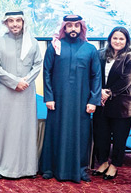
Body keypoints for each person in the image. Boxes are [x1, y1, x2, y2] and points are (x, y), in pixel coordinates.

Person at [40, 14, 101, 183]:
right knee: (56, 132)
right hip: (58, 101)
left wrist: (93, 100)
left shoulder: (90, 49)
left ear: (81, 27)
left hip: (81, 101)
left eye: (76, 25)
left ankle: (80, 169)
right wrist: (49, 97)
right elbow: (47, 73)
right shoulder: (55, 47)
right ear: (64, 28)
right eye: (69, 25)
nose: (73, 29)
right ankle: (50, 168)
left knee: (81, 134)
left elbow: (96, 76)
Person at [0, 11, 42, 179]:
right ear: (5, 23)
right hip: (4, 92)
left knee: (25, 129)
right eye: (11, 21)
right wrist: (14, 82)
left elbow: (37, 64)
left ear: (23, 22)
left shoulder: (32, 42)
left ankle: (27, 169)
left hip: (26, 92)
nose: (15, 24)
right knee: (3, 130)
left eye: (18, 20)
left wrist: (25, 81)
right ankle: (1, 168)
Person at [92, 26, 131, 181]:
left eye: (121, 39)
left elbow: (127, 80)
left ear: (126, 41)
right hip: (101, 102)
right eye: (115, 38)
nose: (118, 41)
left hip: (122, 104)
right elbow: (94, 75)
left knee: (120, 137)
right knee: (101, 135)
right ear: (110, 39)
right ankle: (103, 162)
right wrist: (99, 91)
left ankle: (114, 165)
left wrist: (108, 92)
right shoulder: (100, 54)